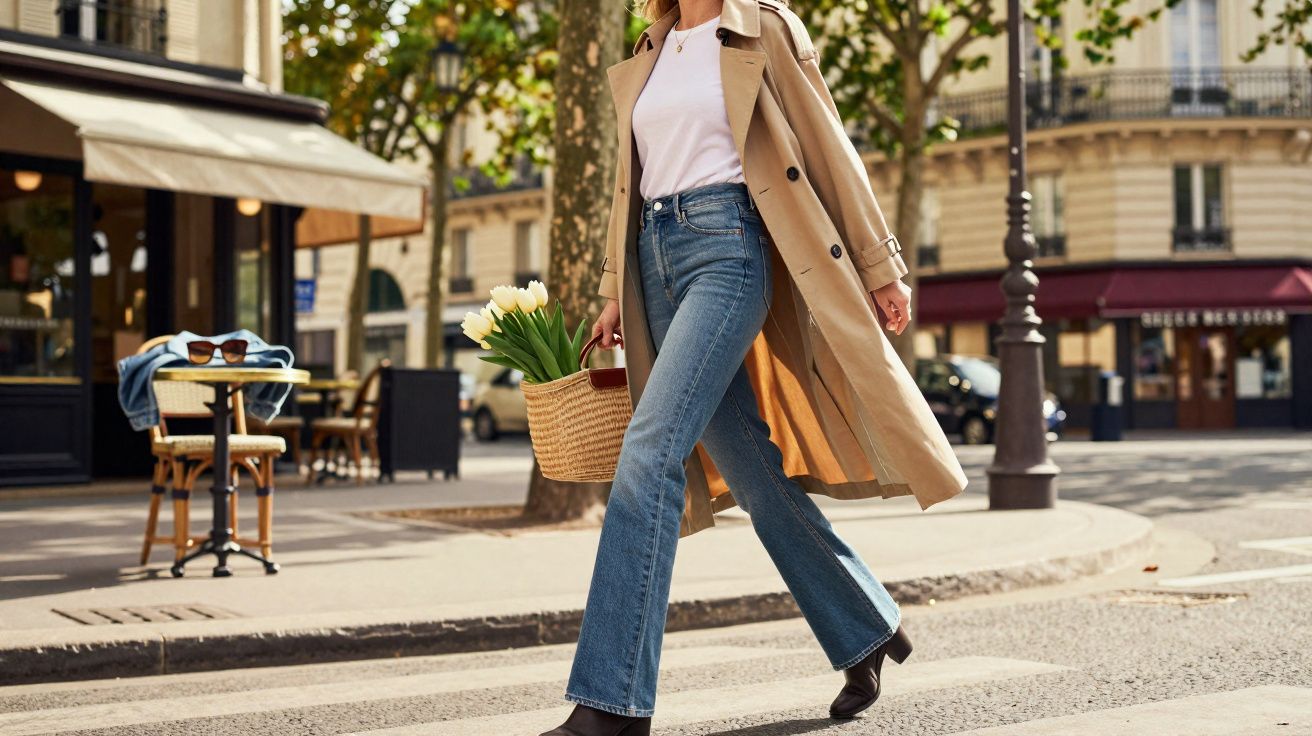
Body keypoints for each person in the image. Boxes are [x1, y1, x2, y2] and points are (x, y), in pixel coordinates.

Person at [542, 0, 965, 733]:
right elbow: (628, 182)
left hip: (728, 251)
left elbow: (828, 144)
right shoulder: (652, 42)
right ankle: (865, 625)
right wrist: (613, 290)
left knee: (649, 452)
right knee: (755, 476)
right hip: (654, 261)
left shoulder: (765, 27)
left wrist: (879, 264)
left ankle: (611, 705)